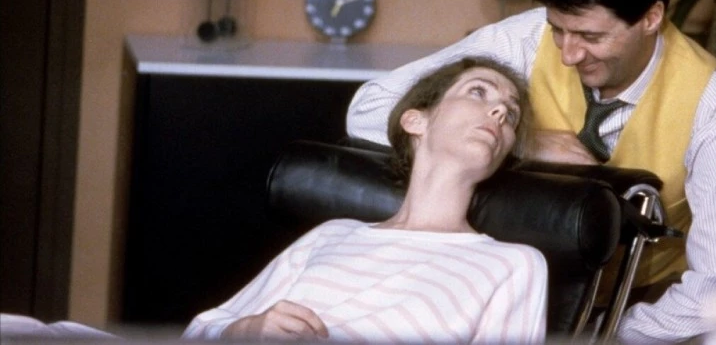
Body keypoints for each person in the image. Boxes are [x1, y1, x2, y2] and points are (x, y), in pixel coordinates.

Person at [346, 0, 716, 343]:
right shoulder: (525, 39)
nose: (568, 55)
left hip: (637, 304)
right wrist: (518, 143)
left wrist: (609, 337)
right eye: (558, 30)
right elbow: (369, 110)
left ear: (650, 18)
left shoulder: (713, 105)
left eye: (590, 36)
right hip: (486, 289)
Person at [183, 57, 548, 343]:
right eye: (478, 92)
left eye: (511, 114)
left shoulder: (512, 264)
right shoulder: (332, 234)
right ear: (416, 121)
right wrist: (249, 330)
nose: (500, 112)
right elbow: (196, 333)